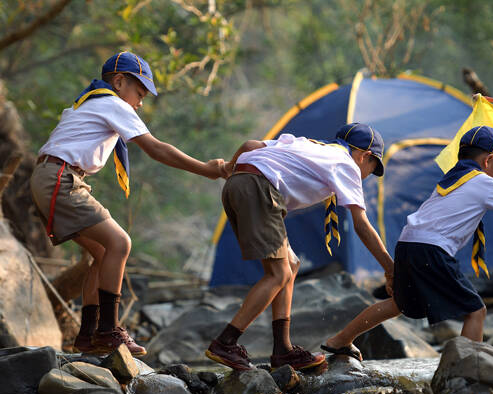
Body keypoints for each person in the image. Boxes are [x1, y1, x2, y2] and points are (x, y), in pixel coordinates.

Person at [30, 51, 227, 357]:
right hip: (59, 177)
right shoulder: (111, 102)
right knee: (120, 243)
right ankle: (109, 331)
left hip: (53, 176)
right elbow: (157, 149)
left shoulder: (96, 102)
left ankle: (88, 336)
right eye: (140, 92)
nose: (141, 102)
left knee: (102, 253)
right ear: (120, 82)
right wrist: (206, 169)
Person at [322, 126, 493, 361]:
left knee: (398, 304)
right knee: (475, 311)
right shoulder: (484, 182)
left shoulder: (451, 180)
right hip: (431, 250)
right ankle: (467, 368)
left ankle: (340, 340)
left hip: (408, 243)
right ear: (489, 160)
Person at [206, 123, 394, 371]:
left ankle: (282, 350)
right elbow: (361, 224)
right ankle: (226, 342)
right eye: (372, 168)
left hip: (238, 184)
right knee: (279, 273)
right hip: (259, 188)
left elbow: (250, 145)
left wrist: (229, 168)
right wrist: (391, 269)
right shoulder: (347, 164)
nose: (368, 174)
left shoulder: (309, 144)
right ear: (365, 156)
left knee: (291, 264)